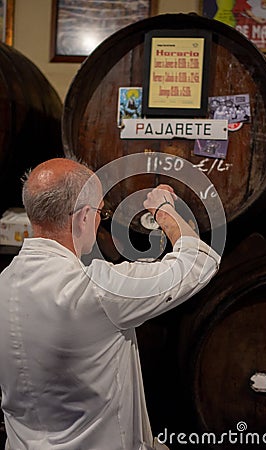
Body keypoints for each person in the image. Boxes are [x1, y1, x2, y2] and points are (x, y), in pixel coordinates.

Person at [0, 158, 220, 450]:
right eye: (100, 213)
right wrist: (164, 211)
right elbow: (198, 263)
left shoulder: (5, 281)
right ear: (83, 216)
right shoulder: (97, 291)